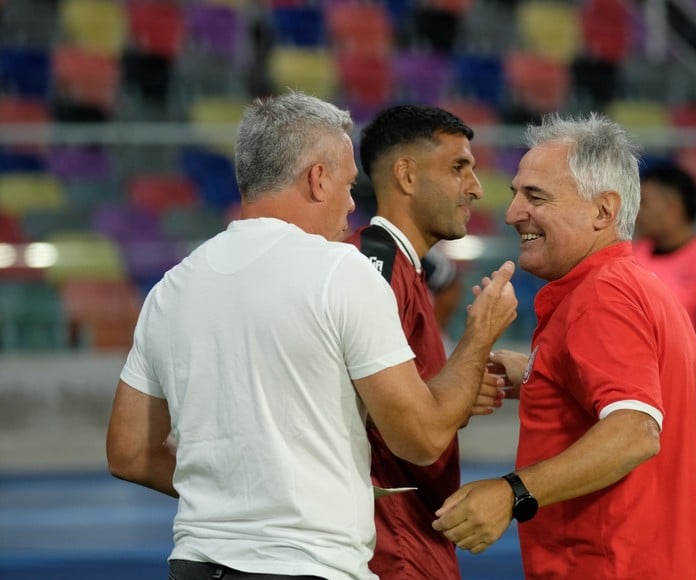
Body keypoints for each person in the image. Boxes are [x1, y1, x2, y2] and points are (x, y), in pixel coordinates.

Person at [105, 90, 519, 580]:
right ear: (317, 179)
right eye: (347, 185)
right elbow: (423, 439)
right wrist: (479, 334)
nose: (351, 205)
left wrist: (237, 495)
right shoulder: (340, 272)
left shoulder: (172, 287)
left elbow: (129, 452)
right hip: (308, 564)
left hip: (196, 563)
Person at [432, 113, 696, 578]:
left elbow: (633, 431)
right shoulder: (632, 285)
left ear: (604, 211)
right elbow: (629, 395)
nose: (512, 214)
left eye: (536, 196)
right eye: (515, 194)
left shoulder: (601, 297)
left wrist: (513, 492)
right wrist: (535, 372)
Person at [343, 104, 496, 579]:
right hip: (391, 537)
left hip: (409, 529)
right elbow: (397, 427)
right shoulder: (374, 267)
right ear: (406, 176)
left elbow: (386, 393)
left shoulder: (400, 267)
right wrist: (479, 334)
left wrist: (454, 387)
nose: (475, 188)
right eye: (458, 168)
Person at [633, 163, 696, 416]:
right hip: (635, 393)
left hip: (685, 398)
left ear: (674, 208)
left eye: (644, 203)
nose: (635, 212)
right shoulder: (629, 257)